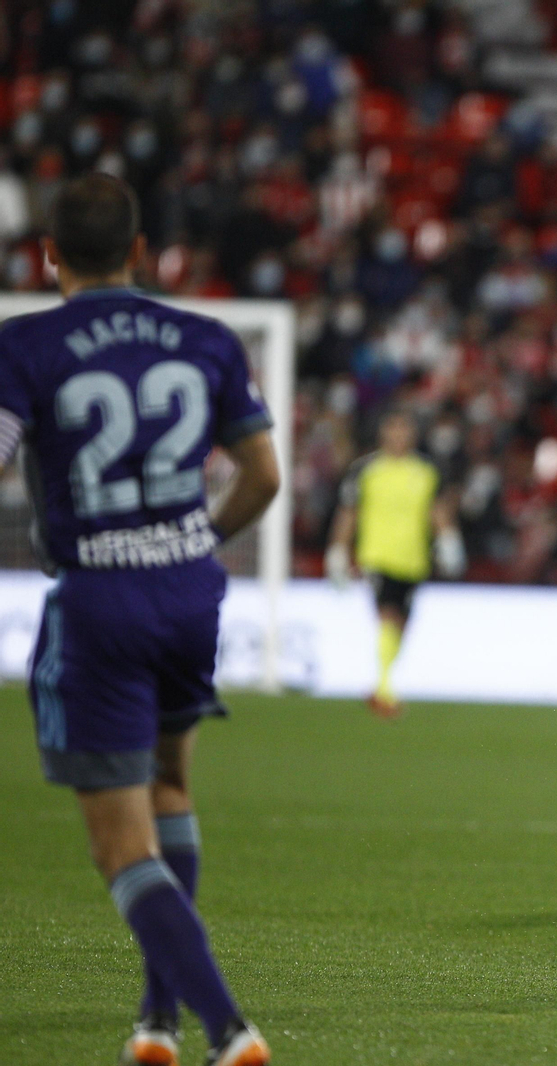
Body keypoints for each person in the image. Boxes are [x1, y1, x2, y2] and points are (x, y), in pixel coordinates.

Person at [0, 174, 277, 1065]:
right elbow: (264, 476)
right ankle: (157, 1022)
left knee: (120, 844)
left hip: (100, 599)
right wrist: (194, 543)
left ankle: (228, 1030)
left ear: (49, 256)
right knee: (169, 792)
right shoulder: (206, 337)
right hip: (190, 593)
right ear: (140, 251)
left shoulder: (25, 343)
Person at [324, 411, 465, 718]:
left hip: (414, 559)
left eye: (404, 428)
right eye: (394, 427)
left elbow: (437, 509)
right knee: (387, 614)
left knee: (401, 624)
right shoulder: (365, 470)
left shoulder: (427, 470)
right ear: (383, 432)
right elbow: (349, 511)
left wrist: (448, 539)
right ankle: (385, 691)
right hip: (377, 555)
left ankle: (382, 684)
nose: (399, 434)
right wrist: (338, 550)